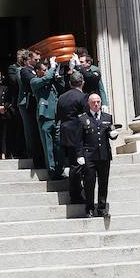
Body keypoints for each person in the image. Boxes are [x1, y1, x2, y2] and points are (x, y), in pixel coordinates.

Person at [77, 92, 118, 217]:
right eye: (93, 102)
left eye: (98, 102)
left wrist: (113, 135)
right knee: (89, 183)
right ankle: (89, 208)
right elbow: (79, 139)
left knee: (103, 182)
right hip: (89, 156)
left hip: (104, 155)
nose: (96, 104)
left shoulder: (107, 117)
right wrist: (80, 155)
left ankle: (102, 208)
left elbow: (110, 133)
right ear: (89, 104)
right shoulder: (83, 118)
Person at [55, 70, 88, 204]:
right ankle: (75, 194)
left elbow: (58, 114)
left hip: (65, 132)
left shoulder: (61, 97)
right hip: (78, 134)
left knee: (73, 163)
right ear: (83, 83)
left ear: (69, 83)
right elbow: (86, 116)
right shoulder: (83, 97)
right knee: (77, 165)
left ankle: (76, 191)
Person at [30, 58, 64, 179]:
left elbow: (62, 87)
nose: (46, 72)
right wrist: (52, 67)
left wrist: (58, 76)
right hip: (45, 117)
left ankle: (60, 169)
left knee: (59, 145)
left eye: (46, 70)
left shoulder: (50, 79)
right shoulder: (34, 81)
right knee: (48, 146)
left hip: (56, 116)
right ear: (37, 71)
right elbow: (45, 79)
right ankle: (52, 171)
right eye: (44, 70)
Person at [19, 50, 44, 167]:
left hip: (40, 104)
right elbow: (33, 82)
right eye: (36, 59)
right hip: (31, 104)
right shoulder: (25, 71)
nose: (38, 61)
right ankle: (37, 161)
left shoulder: (36, 70)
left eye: (39, 60)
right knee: (33, 133)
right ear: (29, 59)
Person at [6, 49, 27, 158]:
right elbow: (14, 81)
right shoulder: (13, 68)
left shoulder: (27, 68)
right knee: (18, 128)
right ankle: (16, 152)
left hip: (27, 101)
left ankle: (25, 150)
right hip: (16, 103)